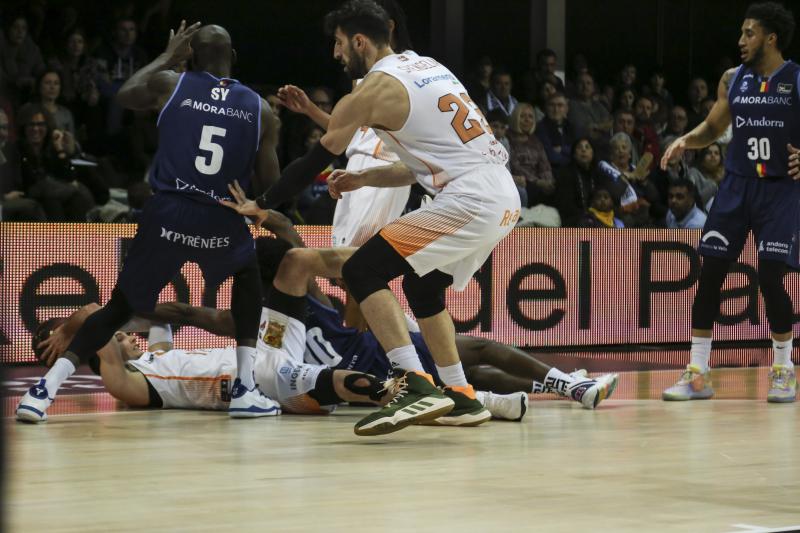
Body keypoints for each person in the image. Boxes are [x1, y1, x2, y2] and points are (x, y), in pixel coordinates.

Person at [224, 0, 593, 436]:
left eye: (339, 44)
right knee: (423, 286)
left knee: (363, 268)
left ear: (360, 41)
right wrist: (366, 178)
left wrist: (262, 201)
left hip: (469, 199)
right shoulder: (429, 67)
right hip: (500, 194)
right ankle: (460, 395)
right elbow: (427, 164)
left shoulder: (370, 91)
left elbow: (311, 162)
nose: (336, 54)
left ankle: (414, 382)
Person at [16, 22, 283, 423]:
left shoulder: (171, 83)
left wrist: (165, 57)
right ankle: (245, 388)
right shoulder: (260, 109)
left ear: (189, 57)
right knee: (247, 279)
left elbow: (124, 95)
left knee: (120, 307)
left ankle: (42, 392)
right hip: (220, 216)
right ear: (234, 58)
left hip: (168, 211)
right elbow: (272, 187)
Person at [661, 2, 798, 403]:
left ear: (770, 38)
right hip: (737, 186)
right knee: (710, 274)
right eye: (741, 32)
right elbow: (715, 126)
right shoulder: (732, 79)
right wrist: (687, 140)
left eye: (749, 33)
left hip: (780, 190)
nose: (741, 41)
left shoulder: (796, 79)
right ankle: (698, 372)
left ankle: (783, 369)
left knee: (771, 279)